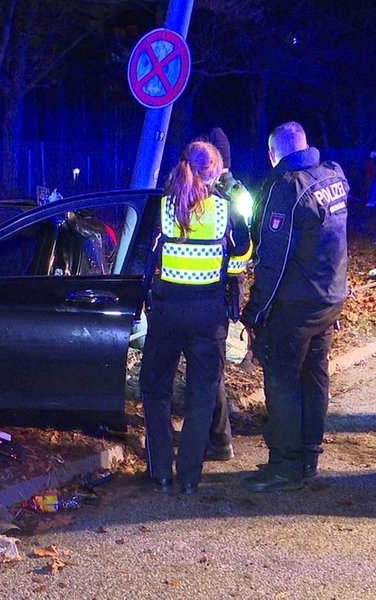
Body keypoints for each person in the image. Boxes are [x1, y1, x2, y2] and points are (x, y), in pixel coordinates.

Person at [240, 121, 349, 492]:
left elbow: (274, 260)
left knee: (282, 380)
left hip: (296, 306)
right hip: (329, 299)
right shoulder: (332, 175)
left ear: (274, 153)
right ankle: (308, 456)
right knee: (315, 377)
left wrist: (255, 311)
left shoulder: (287, 190)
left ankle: (285, 466)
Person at [140, 140, 251, 495]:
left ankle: (160, 471)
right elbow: (242, 254)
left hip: (168, 313)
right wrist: (221, 274)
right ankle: (189, 475)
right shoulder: (226, 208)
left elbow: (144, 256)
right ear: (215, 172)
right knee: (202, 393)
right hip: (209, 315)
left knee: (155, 388)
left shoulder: (160, 207)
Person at [204, 127, 255, 462]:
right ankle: (216, 436)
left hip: (218, 288)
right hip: (221, 287)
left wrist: (226, 274)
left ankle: (220, 441)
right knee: (212, 365)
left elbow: (244, 245)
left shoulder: (227, 194)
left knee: (212, 367)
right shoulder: (238, 193)